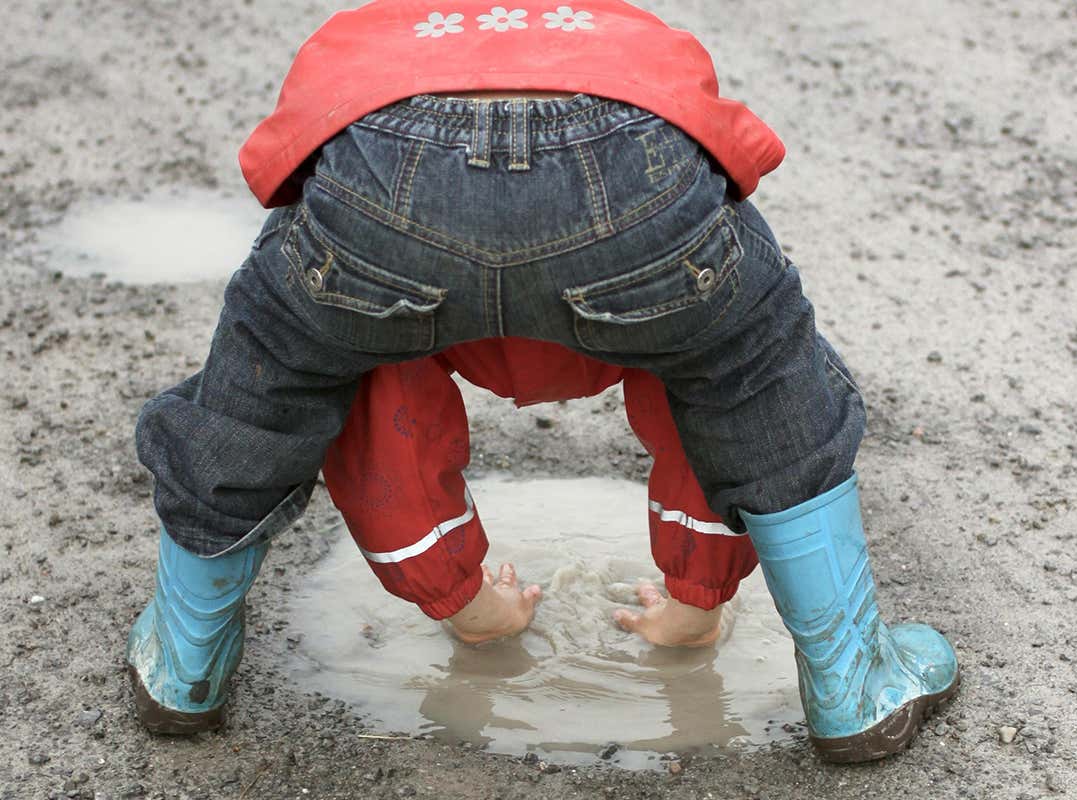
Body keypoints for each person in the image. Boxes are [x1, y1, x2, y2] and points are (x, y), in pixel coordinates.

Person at [127, 0, 959, 762]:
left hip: (386, 177)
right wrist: (699, 597)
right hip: (629, 171)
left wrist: (458, 599)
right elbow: (738, 158)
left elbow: (274, 165)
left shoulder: (367, 32)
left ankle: (184, 667)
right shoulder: (626, 29)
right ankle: (852, 687)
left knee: (288, 364)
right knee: (738, 359)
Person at [322, 337, 759, 646]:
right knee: (700, 342)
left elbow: (386, 455)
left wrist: (456, 597)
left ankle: (477, 616)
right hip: (640, 254)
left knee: (373, 347)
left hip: (420, 258)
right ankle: (694, 620)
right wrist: (700, 597)